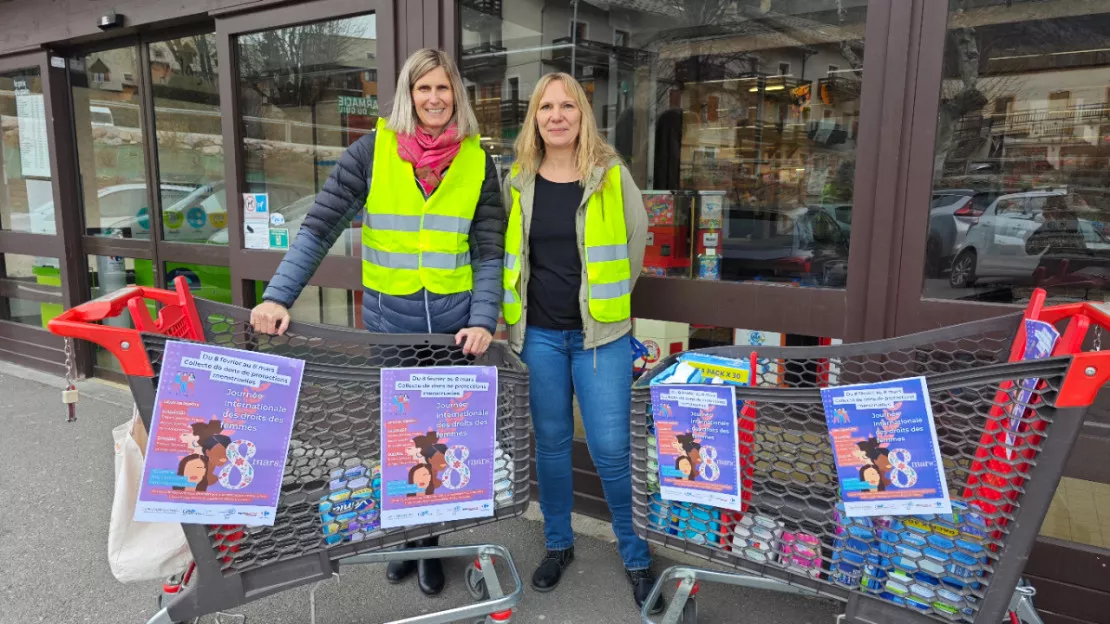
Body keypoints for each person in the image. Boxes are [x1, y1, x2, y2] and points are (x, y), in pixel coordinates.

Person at [250, 48, 505, 597]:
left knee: (441, 443)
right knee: (401, 441)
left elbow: (490, 251)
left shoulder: (479, 163)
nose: (434, 99)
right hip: (391, 325)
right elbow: (317, 229)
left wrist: (485, 318)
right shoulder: (371, 152)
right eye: (423, 89)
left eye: (443, 89)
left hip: (453, 331)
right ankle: (407, 536)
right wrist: (277, 296)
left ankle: (429, 545)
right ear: (407, 96)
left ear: (456, 96)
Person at [501, 72, 660, 613]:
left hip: (601, 339)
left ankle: (636, 556)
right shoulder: (518, 179)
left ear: (582, 115)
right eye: (546, 106)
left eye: (568, 105)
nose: (557, 115)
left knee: (612, 451)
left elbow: (635, 246)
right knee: (550, 447)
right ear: (535, 117)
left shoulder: (611, 175)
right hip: (539, 336)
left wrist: (605, 304)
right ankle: (558, 544)